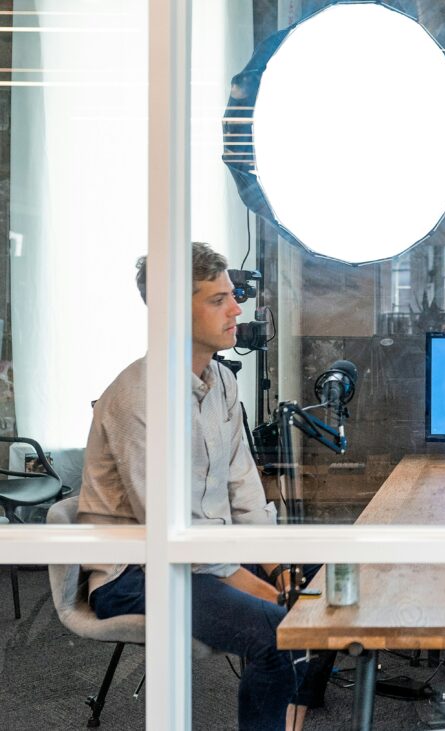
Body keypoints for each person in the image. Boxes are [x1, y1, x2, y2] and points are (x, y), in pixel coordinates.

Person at [77, 242, 333, 731]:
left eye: (232, 295)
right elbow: (174, 534)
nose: (236, 309)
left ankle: (291, 714)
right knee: (277, 632)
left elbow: (243, 487)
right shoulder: (139, 398)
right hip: (136, 574)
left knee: (325, 583)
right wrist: (258, 586)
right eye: (218, 299)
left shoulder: (220, 381)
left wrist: (279, 566)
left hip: (205, 552)